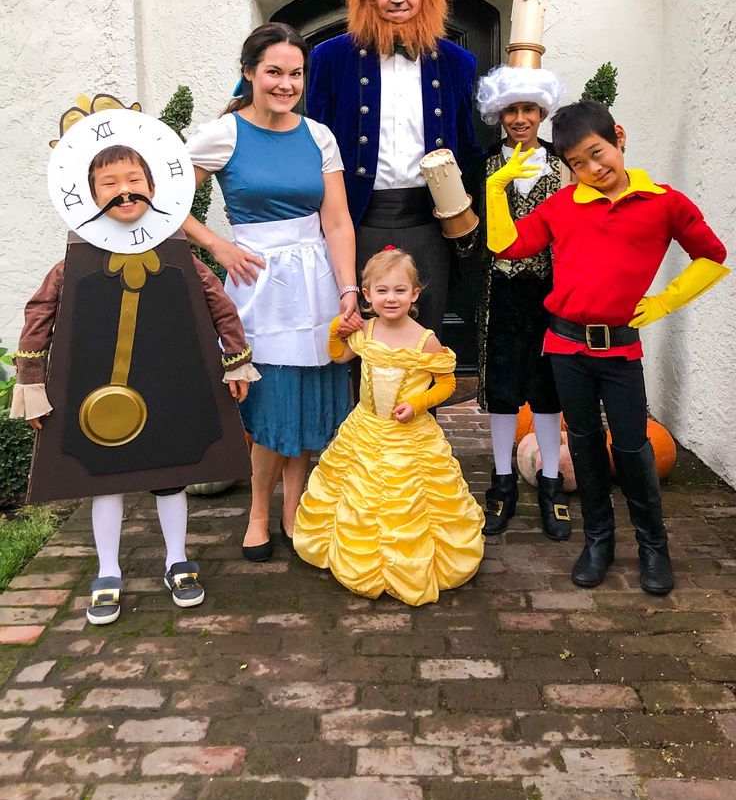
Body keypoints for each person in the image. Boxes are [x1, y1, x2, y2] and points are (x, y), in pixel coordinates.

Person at [12, 126, 256, 625]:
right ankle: (107, 571)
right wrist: (32, 384)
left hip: (169, 383)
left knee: (171, 477)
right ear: (88, 192)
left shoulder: (179, 254)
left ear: (154, 185)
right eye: (109, 182)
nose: (125, 189)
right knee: (106, 481)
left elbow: (220, 307)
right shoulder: (73, 262)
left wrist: (236, 359)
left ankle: (177, 561)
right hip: (95, 393)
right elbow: (39, 314)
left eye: (134, 178)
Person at [484, 100, 729, 595]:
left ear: (618, 136)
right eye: (577, 164)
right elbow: (506, 246)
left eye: (597, 154)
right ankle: (598, 540)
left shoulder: (665, 203)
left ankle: (652, 545)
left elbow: (712, 255)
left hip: (620, 352)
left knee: (634, 447)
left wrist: (664, 302)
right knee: (586, 445)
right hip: (566, 346)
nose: (593, 170)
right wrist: (495, 187)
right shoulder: (562, 205)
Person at [184, 23, 358, 561]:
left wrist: (349, 287)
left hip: (316, 283)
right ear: (249, 73)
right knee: (269, 399)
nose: (286, 84)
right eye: (274, 72)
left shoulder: (319, 135)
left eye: (295, 74)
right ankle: (260, 510)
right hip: (257, 285)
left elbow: (337, 222)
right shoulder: (222, 135)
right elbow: (163, 202)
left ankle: (295, 506)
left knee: (308, 398)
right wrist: (218, 244)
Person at [307, 0, 480, 335]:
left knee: (427, 335)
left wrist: (468, 220)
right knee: (362, 335)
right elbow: (314, 144)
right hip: (358, 217)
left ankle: (425, 408)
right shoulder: (330, 58)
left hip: (429, 220)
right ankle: (364, 406)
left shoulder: (457, 62)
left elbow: (469, 144)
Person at [293, 247, 484, 606]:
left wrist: (417, 404)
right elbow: (339, 355)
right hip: (364, 428)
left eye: (399, 290)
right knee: (356, 493)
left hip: (409, 436)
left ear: (414, 294)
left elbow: (446, 384)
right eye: (382, 291)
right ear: (367, 295)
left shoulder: (425, 339)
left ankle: (409, 559)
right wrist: (337, 329)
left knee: (408, 500)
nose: (390, 298)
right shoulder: (366, 330)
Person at [464, 62, 569, 540]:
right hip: (499, 292)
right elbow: (464, 229)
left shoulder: (563, 163)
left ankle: (551, 484)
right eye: (511, 110)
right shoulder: (482, 163)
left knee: (546, 388)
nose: (520, 118)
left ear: (543, 112)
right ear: (498, 113)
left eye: (529, 108)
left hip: (551, 291)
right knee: (503, 388)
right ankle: (501, 485)